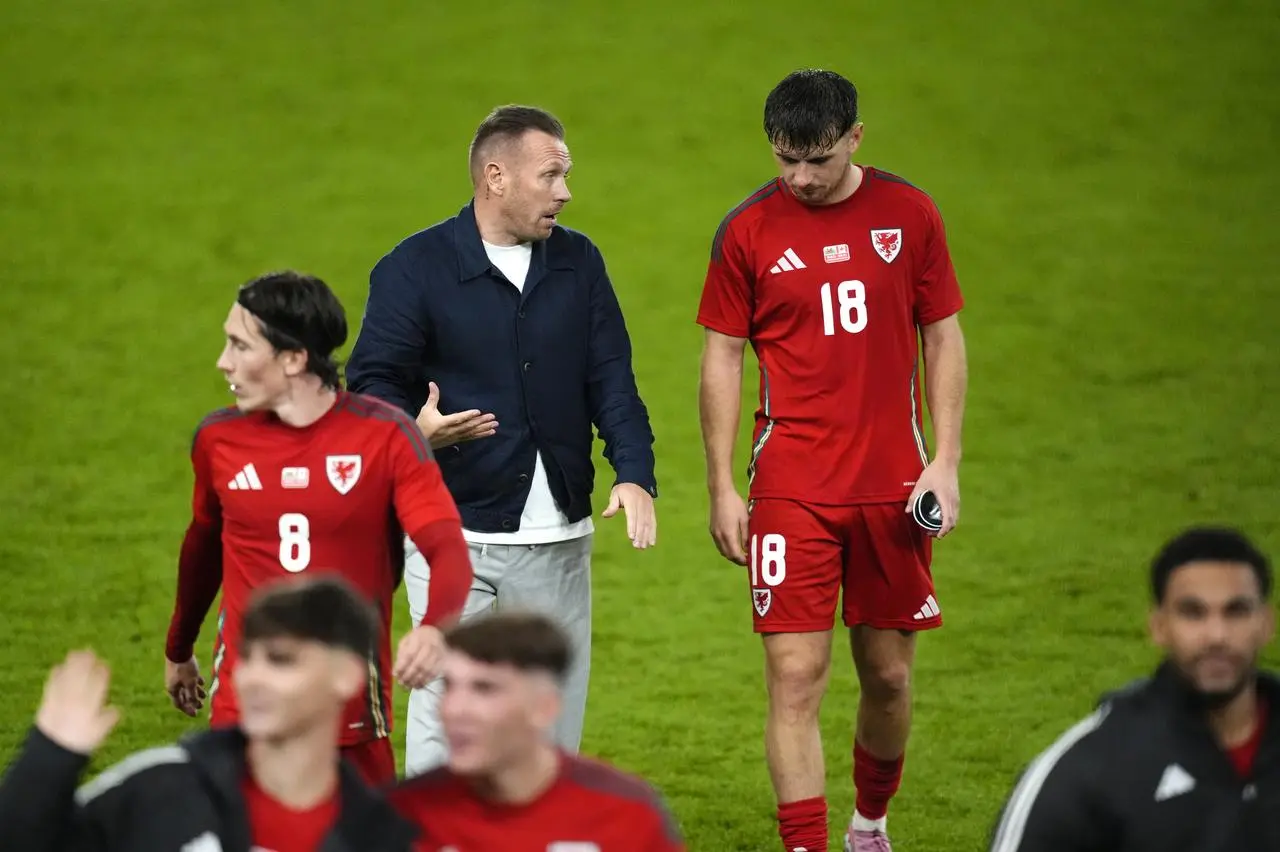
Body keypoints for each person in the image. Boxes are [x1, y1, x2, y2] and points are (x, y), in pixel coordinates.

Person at [696, 68, 969, 852]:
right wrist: (721, 485)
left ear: (855, 137)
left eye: (816, 159)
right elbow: (722, 359)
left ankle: (870, 824)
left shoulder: (910, 214)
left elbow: (942, 335)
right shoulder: (745, 229)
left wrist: (944, 461)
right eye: (786, 159)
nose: (800, 178)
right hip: (793, 487)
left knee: (888, 676)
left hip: (892, 484)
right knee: (793, 676)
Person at [345, 104, 659, 776]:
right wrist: (414, 430)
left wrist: (633, 473)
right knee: (441, 731)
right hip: (451, 533)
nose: (566, 193)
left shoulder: (579, 263)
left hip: (560, 545)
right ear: (496, 176)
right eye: (551, 176)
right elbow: (370, 383)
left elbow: (612, 382)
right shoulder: (414, 268)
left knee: (548, 736)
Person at [163, 270, 473, 786]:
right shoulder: (219, 440)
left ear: (293, 358)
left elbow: (445, 548)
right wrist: (179, 648)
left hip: (347, 707)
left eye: (240, 346)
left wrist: (434, 628)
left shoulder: (386, 437)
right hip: (245, 705)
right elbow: (203, 545)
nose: (223, 362)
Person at [0, 576, 420, 852]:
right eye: (248, 658)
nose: (252, 677)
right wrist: (48, 761)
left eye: (280, 660)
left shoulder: (379, 834)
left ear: (345, 675)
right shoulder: (164, 787)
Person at [988, 526, 1280, 851]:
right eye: (1193, 613)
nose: (1216, 636)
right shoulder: (1088, 769)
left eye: (1236, 611)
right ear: (1159, 627)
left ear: (1267, 623)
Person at [386, 610, 685, 850]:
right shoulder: (406, 813)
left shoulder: (625, 813)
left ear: (544, 708)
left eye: (485, 689)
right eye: (450, 687)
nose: (455, 709)